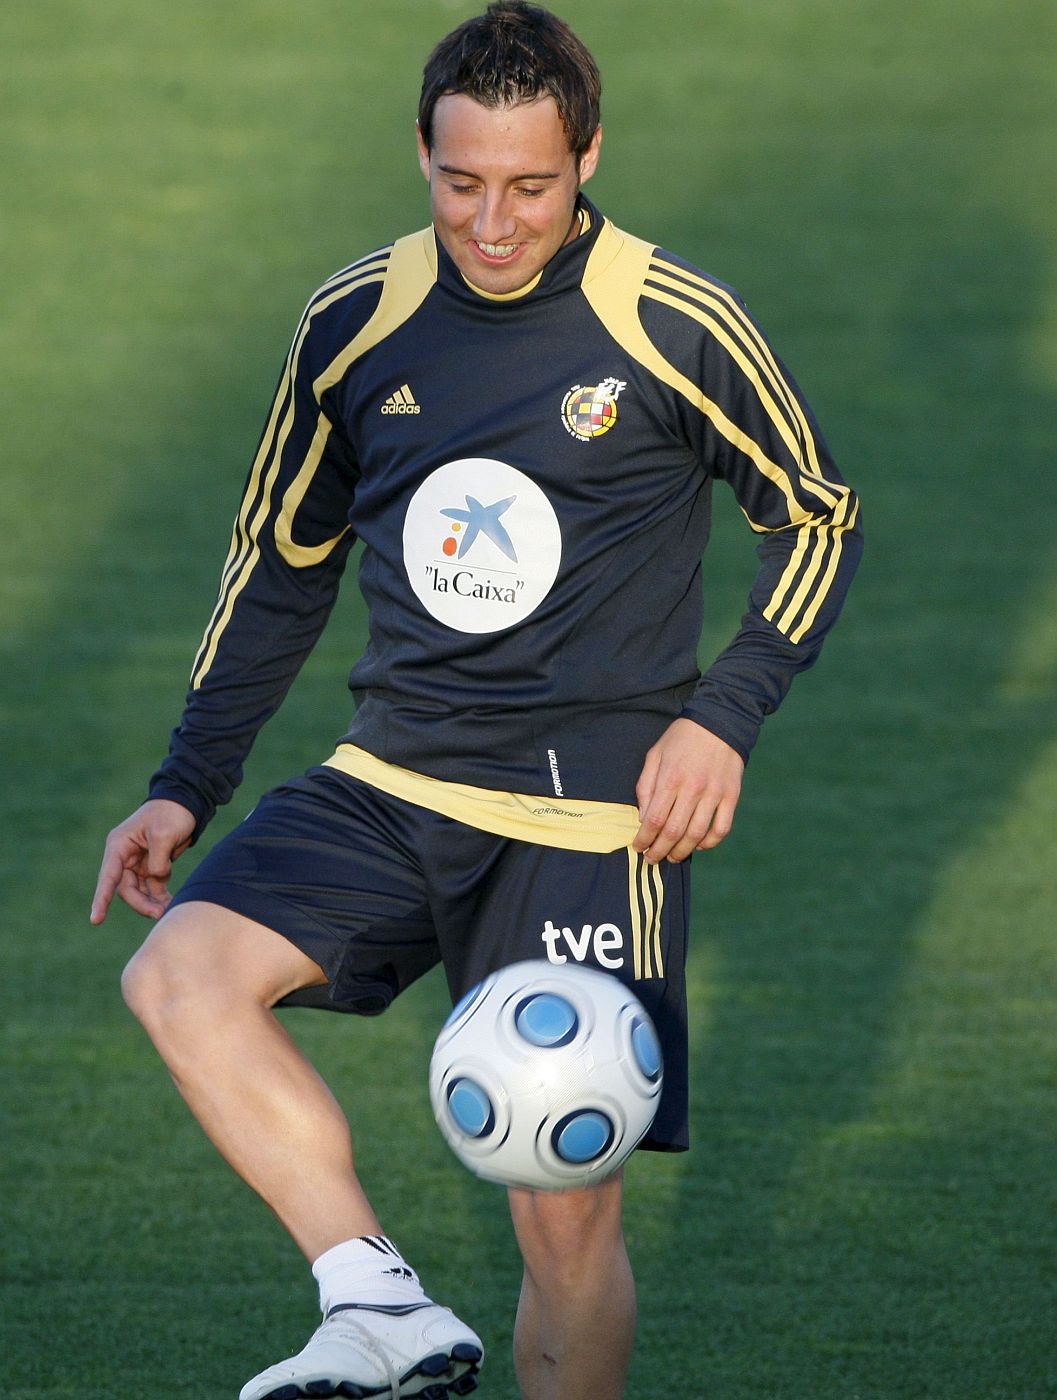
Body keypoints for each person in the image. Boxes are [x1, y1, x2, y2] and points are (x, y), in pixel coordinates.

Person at [91, 4, 862, 1397]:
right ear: (421, 154)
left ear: (588, 157)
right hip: (392, 778)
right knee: (180, 978)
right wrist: (184, 780)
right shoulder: (353, 321)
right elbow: (279, 559)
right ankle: (372, 1300)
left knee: (558, 1210)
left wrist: (721, 714)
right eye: (459, 184)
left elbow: (814, 518)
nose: (492, 222)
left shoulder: (670, 320)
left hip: (586, 822)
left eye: (528, 185)